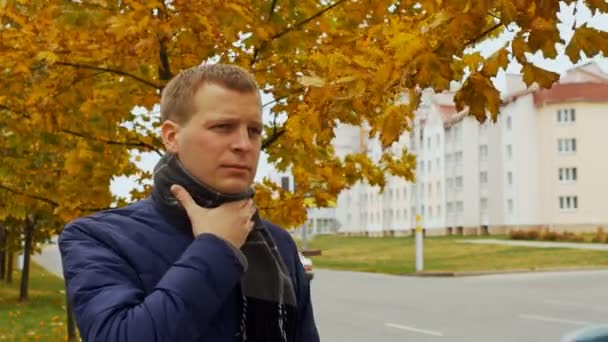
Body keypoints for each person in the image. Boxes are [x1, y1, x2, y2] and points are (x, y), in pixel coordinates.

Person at [58, 63, 320, 342]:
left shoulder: (277, 243)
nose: (244, 144)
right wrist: (216, 248)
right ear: (172, 137)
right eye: (223, 127)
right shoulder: (98, 237)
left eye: (254, 130)